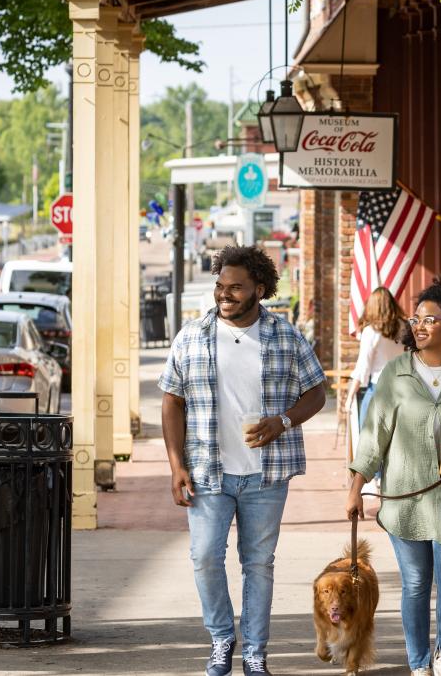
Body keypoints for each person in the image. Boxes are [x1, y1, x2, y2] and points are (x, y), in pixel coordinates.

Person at [161, 245, 327, 676]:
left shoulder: (285, 336)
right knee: (204, 557)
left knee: (257, 564)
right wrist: (176, 465)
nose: (225, 295)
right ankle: (221, 638)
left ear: (259, 289)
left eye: (236, 287)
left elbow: (317, 391)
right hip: (207, 472)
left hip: (266, 475)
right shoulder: (192, 336)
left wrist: (284, 421)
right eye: (220, 286)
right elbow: (171, 401)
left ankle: (254, 652)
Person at [345, 274, 441, 676]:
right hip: (406, 499)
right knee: (415, 584)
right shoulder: (396, 374)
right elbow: (373, 434)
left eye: (430, 319)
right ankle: (418, 663)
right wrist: (356, 486)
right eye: (416, 319)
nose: (419, 325)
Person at [348, 287, 408, 424]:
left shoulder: (371, 331)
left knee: (369, 439)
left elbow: (363, 367)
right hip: (403, 389)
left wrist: (350, 396)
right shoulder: (405, 326)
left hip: (378, 388)